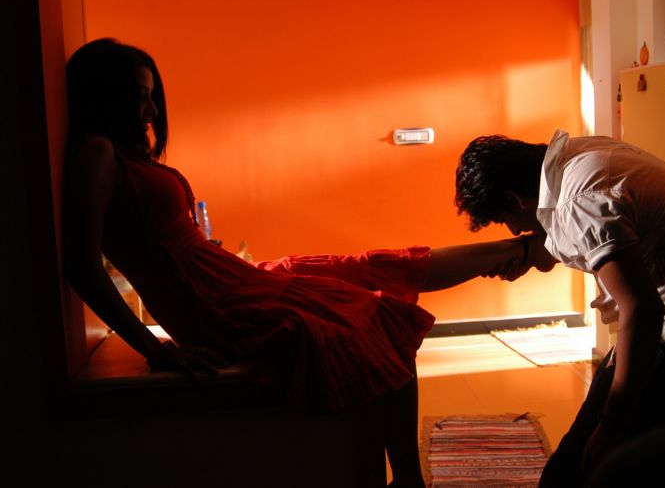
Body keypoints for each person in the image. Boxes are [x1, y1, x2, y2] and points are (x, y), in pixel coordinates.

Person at [62, 38, 527, 488]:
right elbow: (81, 264)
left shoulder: (126, 156)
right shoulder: (98, 154)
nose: (151, 111)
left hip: (231, 279)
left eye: (152, 97)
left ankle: (514, 252)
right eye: (140, 97)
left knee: (369, 283)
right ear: (106, 96)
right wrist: (156, 349)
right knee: (371, 317)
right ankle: (408, 479)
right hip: (215, 302)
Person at [454, 130, 665, 487]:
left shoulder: (580, 199)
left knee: (578, 472)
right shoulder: (576, 158)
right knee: (591, 463)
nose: (514, 230)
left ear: (513, 199)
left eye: (504, 220)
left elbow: (642, 308)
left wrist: (613, 424)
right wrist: (530, 254)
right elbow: (598, 236)